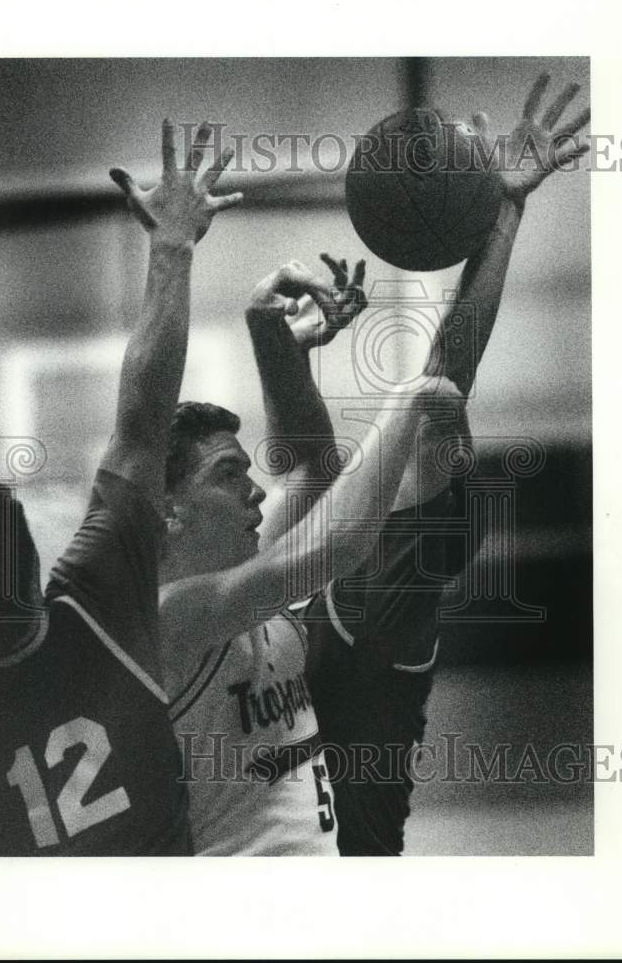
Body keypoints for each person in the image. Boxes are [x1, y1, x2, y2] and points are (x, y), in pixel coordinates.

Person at [253, 73, 591, 854]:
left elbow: (444, 372)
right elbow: (305, 461)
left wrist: (504, 212)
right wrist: (273, 341)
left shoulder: (378, 594)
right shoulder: (300, 579)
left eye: (431, 471)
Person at [0, 120, 243, 854]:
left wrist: (171, 250)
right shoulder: (88, 594)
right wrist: (170, 248)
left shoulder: (95, 593)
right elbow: (139, 425)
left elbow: (143, 421)